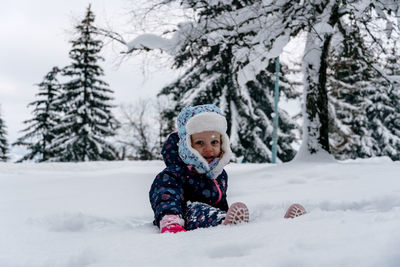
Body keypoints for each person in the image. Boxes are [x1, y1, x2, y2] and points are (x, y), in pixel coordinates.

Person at [149, 104, 305, 234]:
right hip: (185, 217)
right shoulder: (175, 173)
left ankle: (281, 224)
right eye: (200, 143)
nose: (208, 149)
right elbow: (165, 196)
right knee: (196, 208)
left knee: (242, 215)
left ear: (222, 142)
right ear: (186, 146)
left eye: (214, 142)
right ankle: (227, 222)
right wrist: (170, 219)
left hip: (216, 217)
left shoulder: (218, 173)